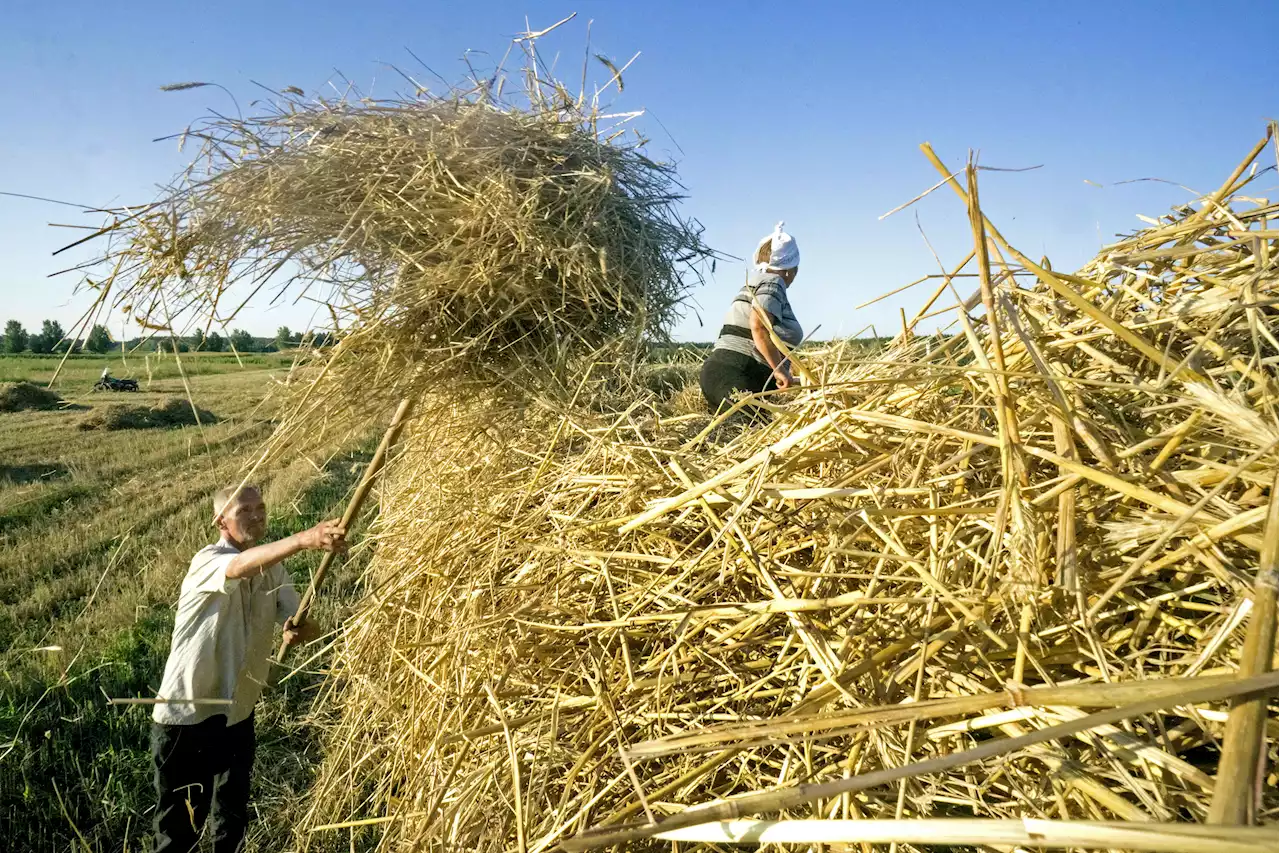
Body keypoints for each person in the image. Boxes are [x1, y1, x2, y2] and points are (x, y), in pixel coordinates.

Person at [149, 484, 346, 853]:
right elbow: (238, 567)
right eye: (244, 510)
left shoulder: (273, 570)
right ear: (220, 520)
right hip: (188, 718)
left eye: (261, 507)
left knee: (232, 816)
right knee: (179, 830)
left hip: (238, 713)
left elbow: (301, 619)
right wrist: (304, 539)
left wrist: (299, 628)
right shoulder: (207, 560)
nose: (256, 515)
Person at [699, 221, 804, 415]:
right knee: (760, 437)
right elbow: (758, 326)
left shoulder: (755, 282)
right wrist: (779, 370)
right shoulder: (774, 283)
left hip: (724, 374)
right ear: (790, 269)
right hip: (736, 376)